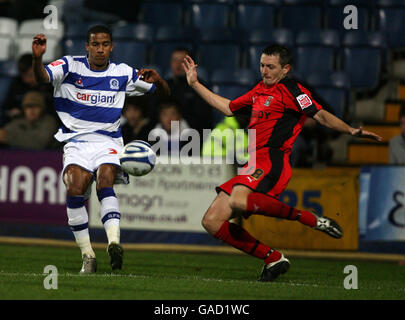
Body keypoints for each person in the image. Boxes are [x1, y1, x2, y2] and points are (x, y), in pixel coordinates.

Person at [182, 44, 382, 282]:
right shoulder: (258, 91)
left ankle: (309, 219)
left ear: (286, 69)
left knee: (237, 199)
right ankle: (273, 258)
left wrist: (350, 130)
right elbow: (228, 107)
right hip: (253, 163)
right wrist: (194, 83)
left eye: (271, 67)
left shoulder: (292, 90)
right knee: (212, 221)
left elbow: (319, 115)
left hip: (272, 161)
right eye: (262, 65)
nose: (264, 71)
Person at [32, 25, 170, 274]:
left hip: (108, 142)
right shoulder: (69, 65)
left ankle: (114, 243)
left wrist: (159, 81)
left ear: (111, 46)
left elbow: (163, 94)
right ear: (87, 46)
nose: (100, 49)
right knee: (76, 187)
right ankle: (88, 255)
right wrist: (38, 57)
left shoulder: (123, 72)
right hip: (76, 142)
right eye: (95, 44)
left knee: (105, 181)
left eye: (105, 44)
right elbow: (42, 77)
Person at [165, 47, 213, 136]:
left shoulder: (200, 86)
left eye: (182, 61)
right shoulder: (165, 86)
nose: (178, 64)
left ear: (191, 64)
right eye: (175, 60)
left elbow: (204, 117)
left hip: (193, 136)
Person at [1, 53, 54, 125]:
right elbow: (6, 108)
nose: (27, 80)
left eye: (31, 75)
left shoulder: (48, 85)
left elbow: (56, 111)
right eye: (24, 76)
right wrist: (11, 112)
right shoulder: (17, 85)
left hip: (44, 123)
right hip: (21, 123)